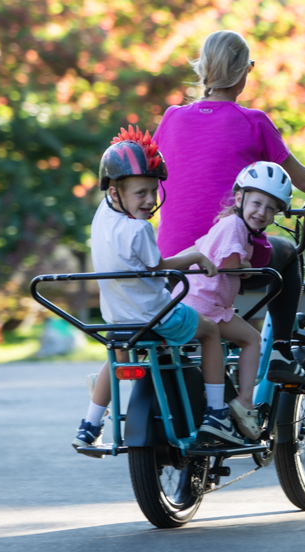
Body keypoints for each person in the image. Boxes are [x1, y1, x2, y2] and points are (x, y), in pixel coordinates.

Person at [153, 30, 305, 388]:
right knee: (290, 254)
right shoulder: (253, 121)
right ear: (245, 72)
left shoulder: (170, 118)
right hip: (227, 257)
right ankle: (281, 350)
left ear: (203, 69)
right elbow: (303, 180)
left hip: (173, 259)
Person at [75, 126, 246, 449]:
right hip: (156, 316)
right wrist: (196, 255)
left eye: (153, 191)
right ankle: (217, 412)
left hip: (120, 319)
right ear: (116, 193)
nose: (150, 200)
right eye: (140, 193)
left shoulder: (101, 217)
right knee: (209, 331)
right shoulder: (138, 229)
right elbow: (158, 266)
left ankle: (89, 424)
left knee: (117, 355)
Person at [183, 162, 293, 440]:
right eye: (257, 203)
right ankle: (244, 402)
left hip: (193, 301)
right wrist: (246, 265)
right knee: (252, 340)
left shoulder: (227, 224)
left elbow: (198, 249)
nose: (262, 212)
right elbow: (230, 265)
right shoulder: (234, 226)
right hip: (208, 306)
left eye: (271, 208)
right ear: (240, 198)